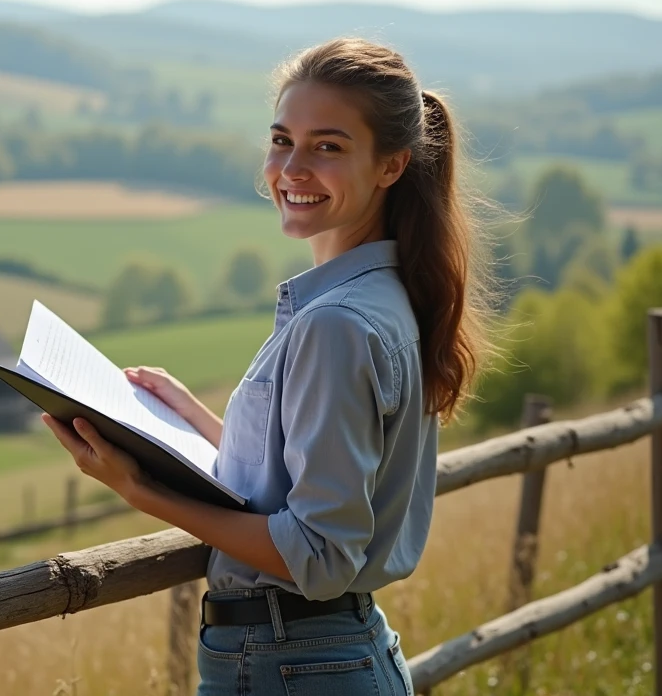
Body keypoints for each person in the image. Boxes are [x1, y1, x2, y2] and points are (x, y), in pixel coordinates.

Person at [42, 37, 492, 695]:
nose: (292, 166)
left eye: (328, 147)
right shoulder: (372, 299)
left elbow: (320, 555)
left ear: (391, 166)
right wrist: (192, 416)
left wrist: (141, 490)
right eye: (283, 139)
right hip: (308, 659)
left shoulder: (338, 324)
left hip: (292, 665)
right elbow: (306, 479)